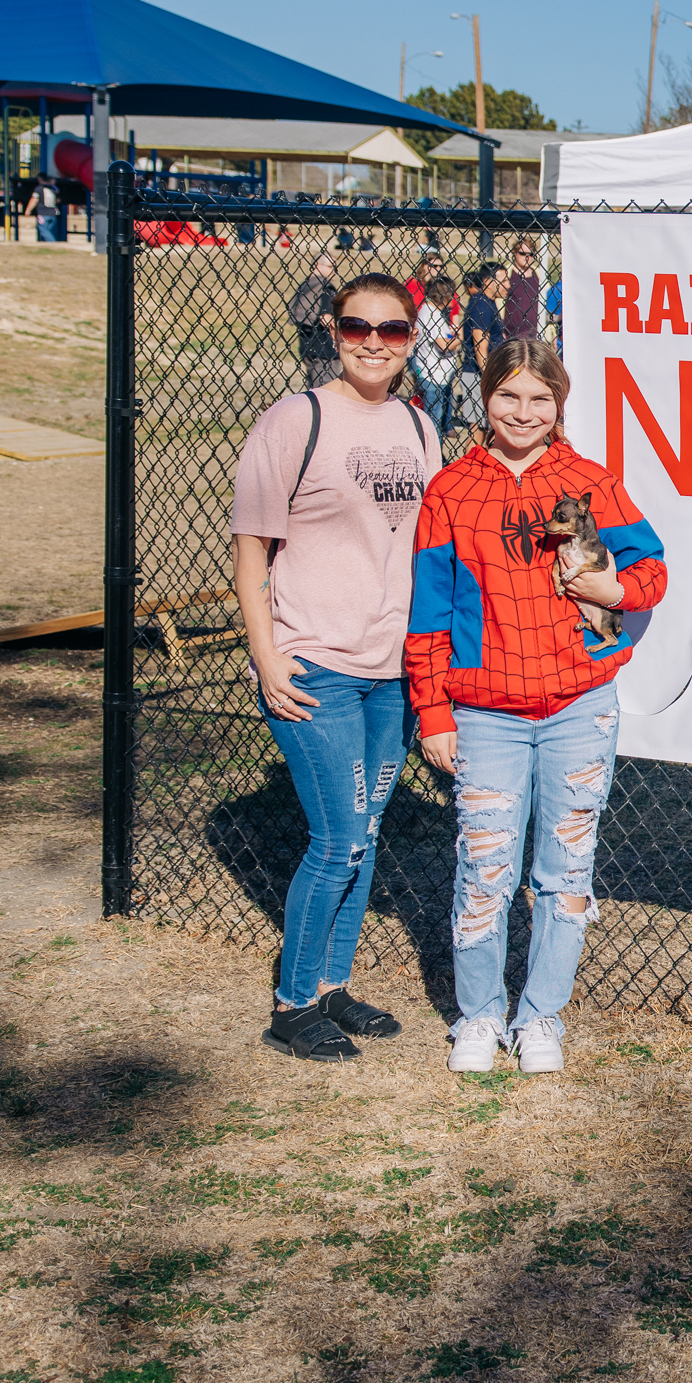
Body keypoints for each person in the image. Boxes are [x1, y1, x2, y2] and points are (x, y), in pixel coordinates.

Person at [407, 340, 669, 1074]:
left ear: (560, 404)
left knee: (566, 871)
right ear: (485, 399)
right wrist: (432, 710)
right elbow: (428, 611)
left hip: (577, 707)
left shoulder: (588, 482)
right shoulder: (451, 490)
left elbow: (651, 568)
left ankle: (542, 1016)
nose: (523, 414)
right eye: (508, 397)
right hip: (485, 710)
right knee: (485, 868)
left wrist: (609, 594)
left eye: (539, 400)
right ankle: (479, 1016)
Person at [230, 272, 439, 1062]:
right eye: (359, 328)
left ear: (413, 337)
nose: (374, 344)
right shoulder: (296, 420)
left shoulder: (421, 428)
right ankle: (291, 1004)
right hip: (314, 662)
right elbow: (252, 548)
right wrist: (265, 653)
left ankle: (331, 987)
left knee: (369, 832)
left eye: (391, 330)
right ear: (334, 331)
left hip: (391, 670)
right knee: (337, 837)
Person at [458, 263, 508, 427]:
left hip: (483, 375)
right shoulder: (482, 306)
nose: (508, 285)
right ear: (488, 282)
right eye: (504, 280)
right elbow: (481, 348)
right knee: (477, 429)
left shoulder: (488, 303)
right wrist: (491, 379)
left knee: (485, 429)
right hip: (478, 375)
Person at [411, 277, 462, 437]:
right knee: (433, 423)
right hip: (434, 376)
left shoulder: (432, 312)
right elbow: (443, 345)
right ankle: (434, 459)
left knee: (435, 419)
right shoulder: (431, 314)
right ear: (444, 296)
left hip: (437, 374)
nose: (454, 299)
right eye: (451, 295)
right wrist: (460, 337)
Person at [289, 254, 340, 388]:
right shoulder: (326, 288)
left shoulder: (305, 286)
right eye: (330, 266)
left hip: (306, 345)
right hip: (326, 348)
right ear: (317, 265)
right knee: (327, 390)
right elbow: (326, 317)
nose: (334, 270)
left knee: (312, 388)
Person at [504, 241, 542, 340]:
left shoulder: (540, 275)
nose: (526, 257)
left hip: (535, 334)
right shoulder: (507, 275)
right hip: (510, 334)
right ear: (514, 253)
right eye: (522, 253)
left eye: (531, 254)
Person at [25, 174, 66, 243]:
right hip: (53, 214)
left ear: (40, 179)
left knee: (44, 231)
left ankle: (53, 244)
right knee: (48, 231)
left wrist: (28, 210)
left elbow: (34, 200)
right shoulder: (54, 189)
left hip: (43, 214)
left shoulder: (39, 189)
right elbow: (58, 200)